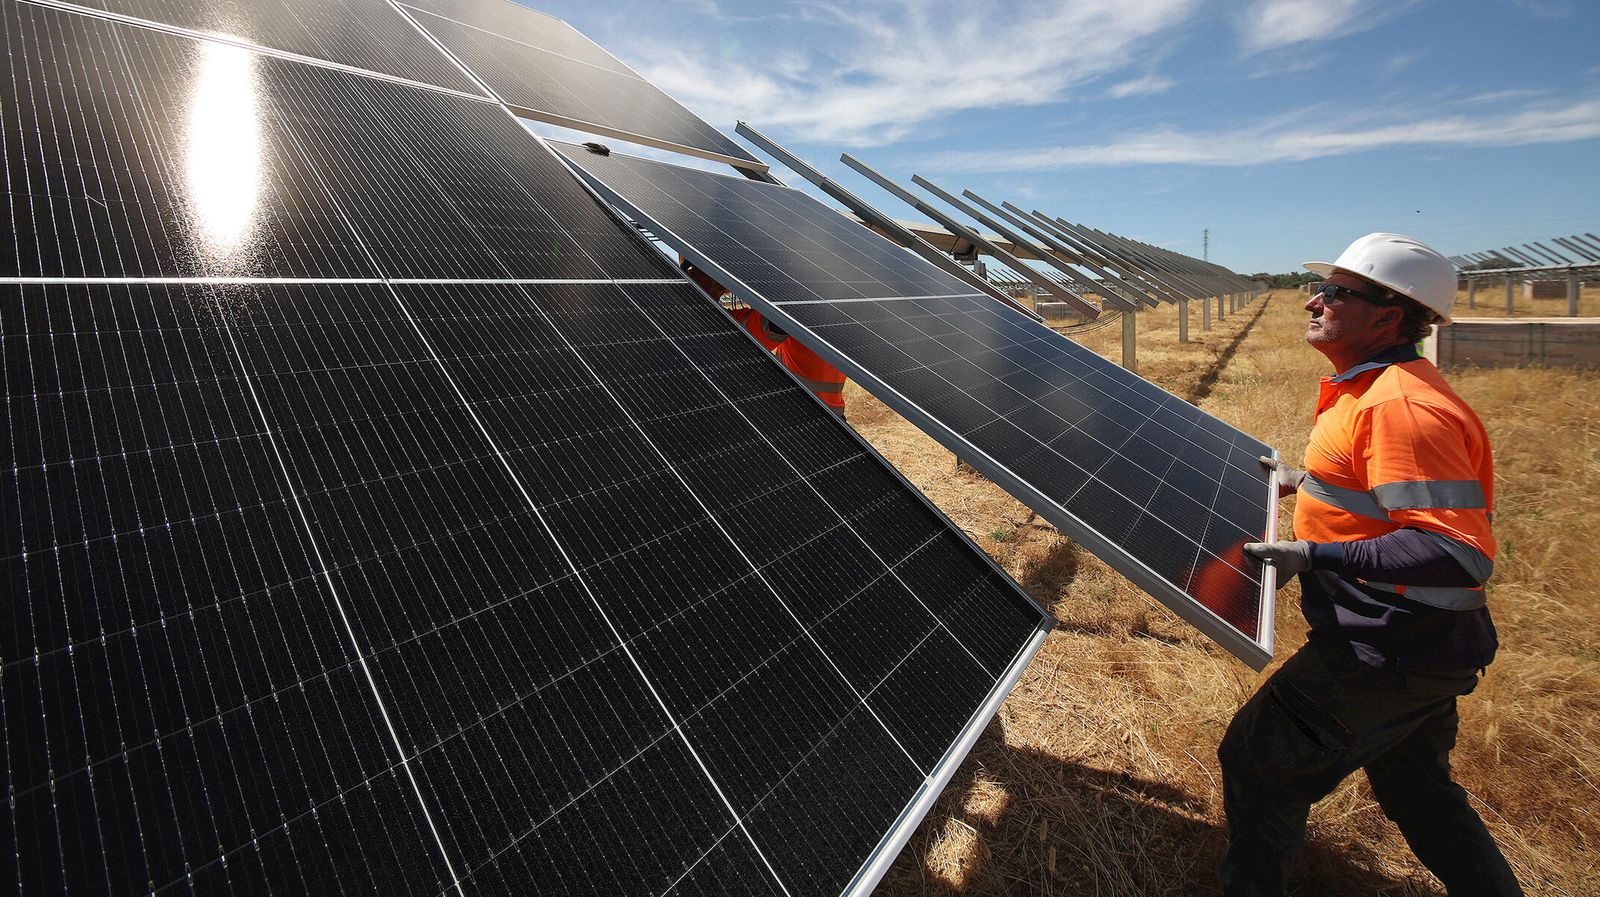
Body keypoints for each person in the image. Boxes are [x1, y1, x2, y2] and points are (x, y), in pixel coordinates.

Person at [1219, 233, 1521, 896]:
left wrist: (1313, 553)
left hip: (1388, 647)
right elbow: (1377, 493)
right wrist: (1309, 483)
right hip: (1419, 645)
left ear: (1387, 317)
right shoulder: (1373, 389)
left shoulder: (1401, 406)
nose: (1312, 300)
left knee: (1257, 759)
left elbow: (1457, 552)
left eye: (1335, 292)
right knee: (1418, 790)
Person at [680, 259, 848, 415]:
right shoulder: (718, 323)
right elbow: (772, 326)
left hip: (809, 411)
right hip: (812, 411)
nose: (722, 284)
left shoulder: (730, 316)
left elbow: (772, 323)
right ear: (692, 273)